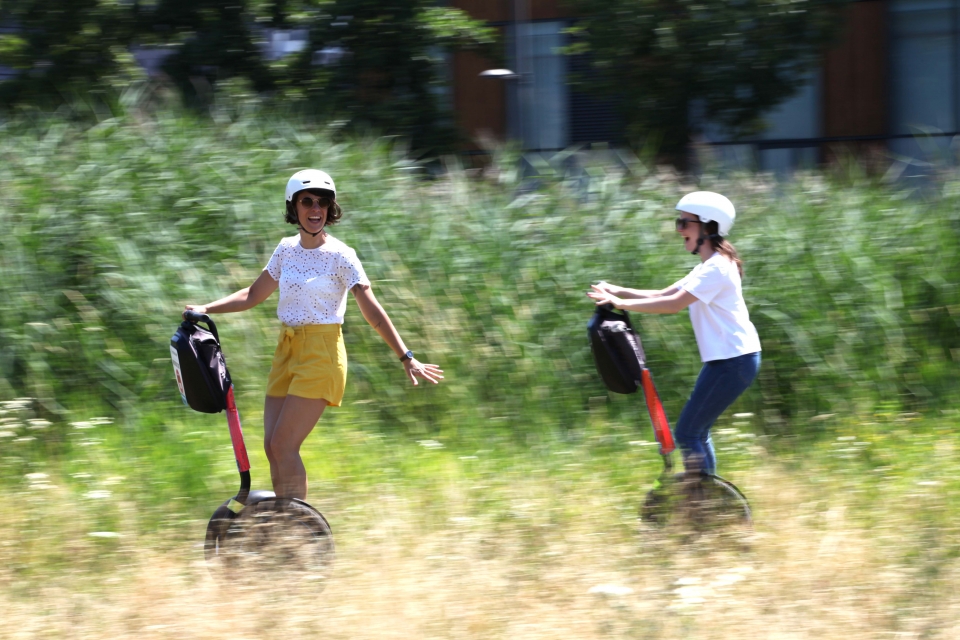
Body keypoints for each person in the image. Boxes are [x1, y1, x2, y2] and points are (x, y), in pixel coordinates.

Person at [184, 169, 443, 499]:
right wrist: (206, 308)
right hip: (287, 350)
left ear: (331, 208)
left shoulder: (341, 255)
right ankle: (284, 526)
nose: (316, 209)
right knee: (271, 446)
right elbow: (253, 294)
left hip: (322, 353)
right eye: (307, 201)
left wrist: (406, 356)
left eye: (323, 202)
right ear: (294, 207)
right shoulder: (285, 250)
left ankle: (299, 534)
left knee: (284, 444)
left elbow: (372, 311)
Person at [587, 191, 760, 476]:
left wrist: (621, 304)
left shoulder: (717, 268)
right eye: (678, 222)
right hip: (727, 360)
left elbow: (674, 305)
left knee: (688, 432)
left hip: (734, 360)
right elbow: (663, 293)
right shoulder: (707, 266)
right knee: (696, 432)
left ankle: (702, 502)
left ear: (709, 226)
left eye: (685, 223)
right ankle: (707, 498)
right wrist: (615, 290)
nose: (679, 229)